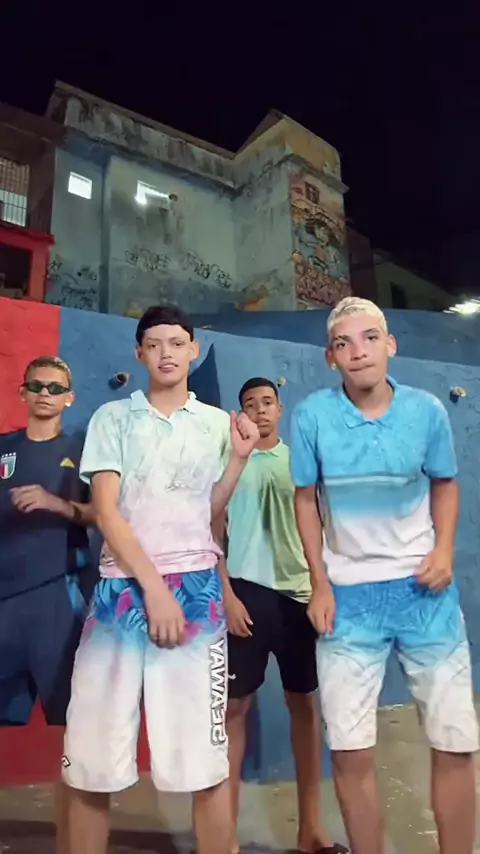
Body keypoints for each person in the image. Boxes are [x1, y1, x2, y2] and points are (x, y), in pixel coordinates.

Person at [61, 304, 259, 854]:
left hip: (195, 594)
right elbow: (106, 511)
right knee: (92, 758)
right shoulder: (113, 418)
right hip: (121, 592)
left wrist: (239, 460)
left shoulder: (216, 424)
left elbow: (207, 512)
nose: (166, 353)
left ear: (192, 349)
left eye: (176, 342)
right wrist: (152, 589)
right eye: (154, 344)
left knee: (203, 759)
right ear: (139, 353)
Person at [290, 296, 479, 854]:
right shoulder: (312, 416)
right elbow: (305, 500)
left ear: (390, 344)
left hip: (426, 594)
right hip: (348, 602)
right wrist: (319, 582)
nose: (359, 351)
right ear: (330, 357)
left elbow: (445, 483)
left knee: (456, 742)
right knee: (349, 750)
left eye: (370, 338)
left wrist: (443, 550)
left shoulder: (426, 411)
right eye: (343, 343)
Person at [220, 376, 349, 854]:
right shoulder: (230, 460)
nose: (259, 409)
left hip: (299, 599)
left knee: (305, 706)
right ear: (242, 413)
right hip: (246, 596)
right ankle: (223, 837)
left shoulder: (301, 462)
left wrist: (322, 587)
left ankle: (310, 830)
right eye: (250, 403)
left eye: (267, 402)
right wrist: (227, 595)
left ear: (279, 408)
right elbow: (210, 528)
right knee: (234, 710)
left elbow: (326, 526)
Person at [0, 355, 96, 854]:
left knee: (71, 735)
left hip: (58, 600)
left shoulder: (83, 450)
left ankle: (69, 844)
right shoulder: (4, 449)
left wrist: (58, 504)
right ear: (22, 392)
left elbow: (105, 513)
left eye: (56, 388)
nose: (45, 394)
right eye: (36, 386)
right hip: (3, 603)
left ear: (69, 398)